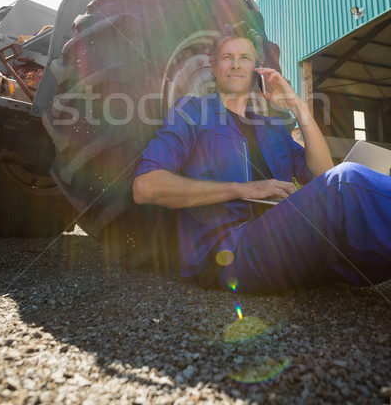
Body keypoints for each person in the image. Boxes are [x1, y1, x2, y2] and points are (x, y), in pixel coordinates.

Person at [133, 22, 391, 294]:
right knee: (347, 182)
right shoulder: (192, 113)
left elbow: (322, 173)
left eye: (244, 58)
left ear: (256, 68)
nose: (235, 64)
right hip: (227, 253)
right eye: (227, 57)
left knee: (360, 233)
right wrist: (243, 189)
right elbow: (145, 186)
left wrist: (298, 106)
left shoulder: (271, 129)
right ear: (214, 66)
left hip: (281, 240)